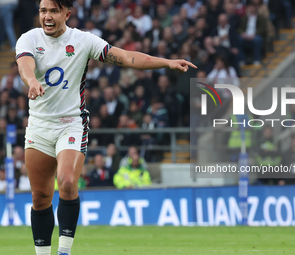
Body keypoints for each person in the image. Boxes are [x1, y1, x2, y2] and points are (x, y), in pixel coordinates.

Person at [15, 1, 196, 255]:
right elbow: (25, 66)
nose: (47, 16)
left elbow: (127, 57)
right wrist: (32, 80)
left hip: (71, 124)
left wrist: (165, 62)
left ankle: (64, 251)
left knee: (66, 181)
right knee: (40, 198)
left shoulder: (83, 41)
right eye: (43, 10)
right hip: (38, 126)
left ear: (67, 13)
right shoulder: (29, 38)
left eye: (53, 11)